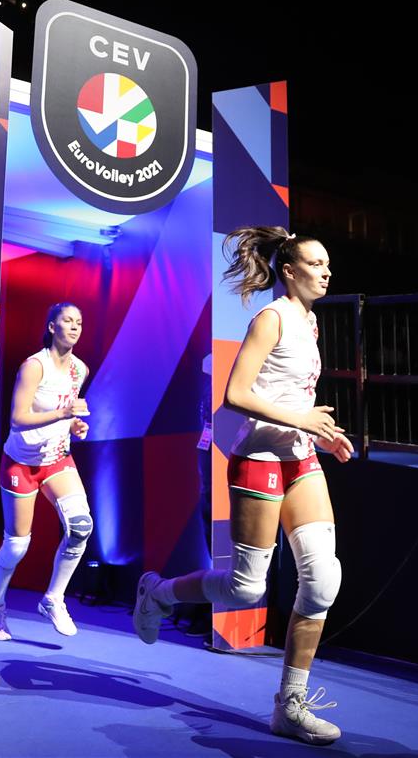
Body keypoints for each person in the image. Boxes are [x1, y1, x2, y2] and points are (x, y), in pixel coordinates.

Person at [132, 226, 355, 745]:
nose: (326, 272)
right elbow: (234, 394)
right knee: (246, 588)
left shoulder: (310, 320)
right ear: (289, 271)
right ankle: (158, 593)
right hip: (259, 458)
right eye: (316, 264)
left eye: (328, 264)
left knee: (322, 579)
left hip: (300, 459)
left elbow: (293, 396)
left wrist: (321, 436)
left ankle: (290, 705)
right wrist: (303, 420)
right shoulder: (271, 318)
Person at [0, 302, 93, 640]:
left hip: (58, 459)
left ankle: (53, 599)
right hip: (21, 462)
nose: (74, 327)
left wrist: (74, 425)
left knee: (81, 527)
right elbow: (18, 419)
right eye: (67, 321)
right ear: (51, 326)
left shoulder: (80, 370)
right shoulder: (34, 366)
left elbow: (66, 414)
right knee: (17, 545)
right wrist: (63, 414)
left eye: (79, 322)